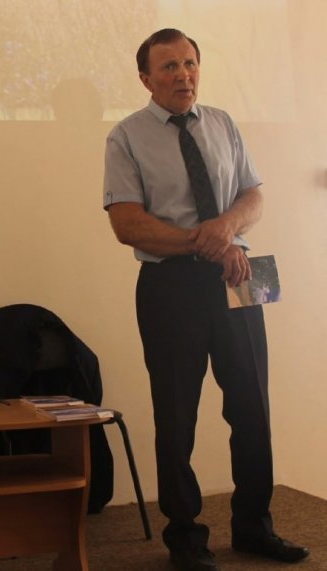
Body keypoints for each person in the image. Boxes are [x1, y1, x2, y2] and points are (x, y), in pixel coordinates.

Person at [103, 28, 309, 571]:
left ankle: (255, 527)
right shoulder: (125, 136)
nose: (183, 75)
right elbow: (127, 225)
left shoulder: (222, 122)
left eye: (190, 63)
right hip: (170, 282)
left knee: (253, 405)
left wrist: (226, 229)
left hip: (243, 272)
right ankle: (186, 539)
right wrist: (210, 242)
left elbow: (254, 197)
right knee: (177, 415)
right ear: (146, 78)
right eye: (169, 67)